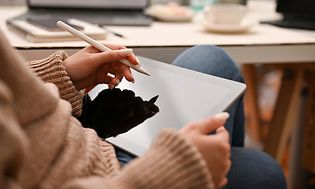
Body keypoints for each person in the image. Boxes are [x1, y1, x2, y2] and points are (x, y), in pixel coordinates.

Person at [0, 30, 286, 189]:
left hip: (75, 133)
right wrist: (163, 173)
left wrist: (61, 74)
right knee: (265, 171)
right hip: (101, 177)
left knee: (210, 57)